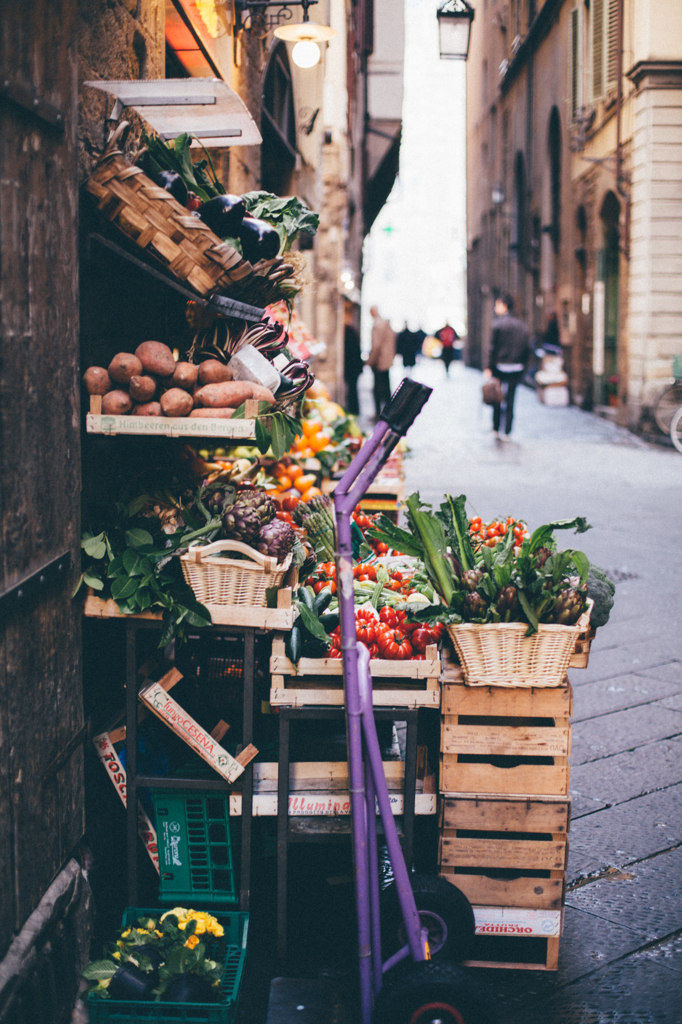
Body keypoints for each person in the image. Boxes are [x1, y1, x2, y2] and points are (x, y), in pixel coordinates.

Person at [484, 294, 530, 438]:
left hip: (500, 367)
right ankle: (508, 431)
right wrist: (523, 365)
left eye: (497, 304)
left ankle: (496, 428)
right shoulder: (521, 325)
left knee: (497, 396)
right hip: (516, 367)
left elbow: (492, 348)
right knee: (511, 399)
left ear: (504, 305)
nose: (495, 307)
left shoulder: (497, 324)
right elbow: (527, 348)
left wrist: (489, 367)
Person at [367, 306, 396, 417]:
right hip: (386, 361)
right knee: (386, 387)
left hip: (379, 362)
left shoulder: (377, 325)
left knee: (378, 388)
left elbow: (376, 345)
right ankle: (389, 410)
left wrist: (370, 361)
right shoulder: (385, 323)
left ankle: (380, 412)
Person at [343, 302, 363, 415]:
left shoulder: (349, 332)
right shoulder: (352, 331)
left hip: (352, 368)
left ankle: (353, 410)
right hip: (354, 367)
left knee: (352, 390)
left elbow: (351, 353)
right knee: (353, 389)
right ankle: (354, 409)